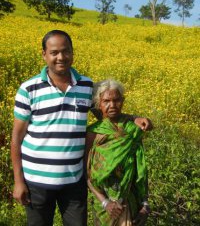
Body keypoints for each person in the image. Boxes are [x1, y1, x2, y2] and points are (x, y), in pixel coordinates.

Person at [11, 30, 152, 226]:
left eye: (66, 51)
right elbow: (16, 139)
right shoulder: (29, 89)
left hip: (74, 181)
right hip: (37, 181)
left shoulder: (86, 86)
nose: (61, 57)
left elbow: (107, 114)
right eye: (54, 52)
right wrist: (19, 181)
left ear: (72, 53)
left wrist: (134, 118)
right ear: (44, 54)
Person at [86, 79, 150, 226]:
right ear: (98, 103)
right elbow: (87, 174)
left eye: (117, 100)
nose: (112, 105)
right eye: (106, 101)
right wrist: (105, 203)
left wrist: (145, 204)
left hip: (132, 202)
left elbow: (140, 169)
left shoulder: (133, 129)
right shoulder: (93, 133)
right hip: (104, 206)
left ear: (123, 101)